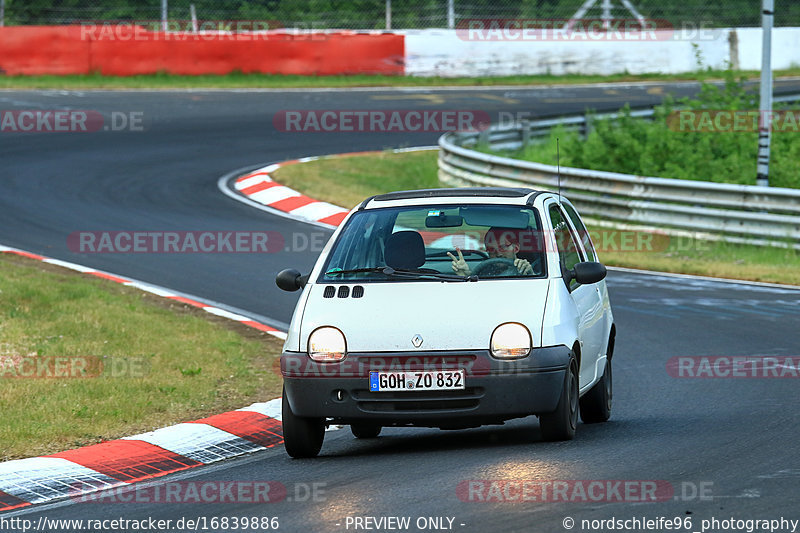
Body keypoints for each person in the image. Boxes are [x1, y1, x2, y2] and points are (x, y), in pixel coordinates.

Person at [448, 227, 535, 277]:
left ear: (516, 248)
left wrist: (530, 274)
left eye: (503, 247)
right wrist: (467, 275)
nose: (498, 254)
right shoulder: (485, 270)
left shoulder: (527, 269)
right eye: (492, 250)